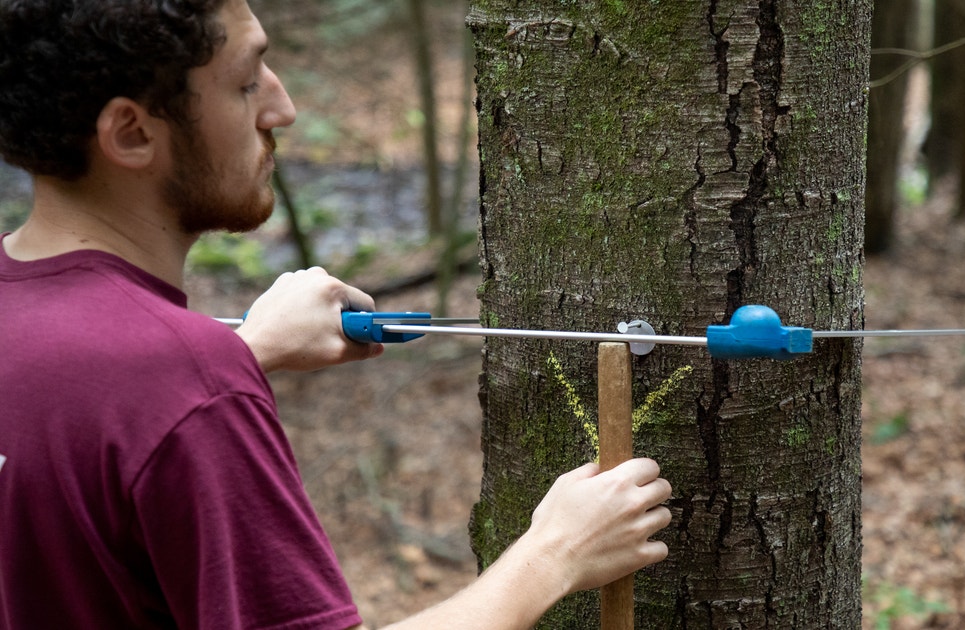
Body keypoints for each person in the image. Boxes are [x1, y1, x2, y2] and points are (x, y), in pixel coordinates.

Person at [0, 1, 673, 628]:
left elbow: (76, 409)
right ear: (132, 131)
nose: (282, 107)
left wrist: (245, 352)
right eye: (244, 83)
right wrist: (551, 557)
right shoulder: (184, 384)